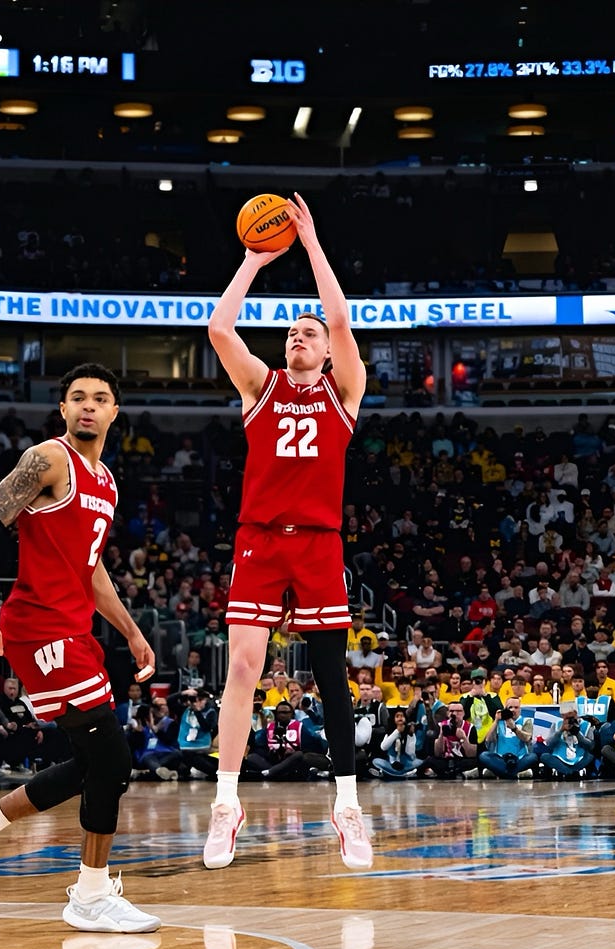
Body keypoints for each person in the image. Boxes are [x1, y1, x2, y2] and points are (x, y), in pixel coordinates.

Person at [0, 364, 160, 933]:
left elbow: (92, 571)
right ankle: (90, 895)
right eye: (77, 397)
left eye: (100, 398)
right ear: (63, 409)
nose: (88, 406)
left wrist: (131, 631)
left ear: (114, 412)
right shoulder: (49, 459)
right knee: (111, 759)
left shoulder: (105, 481)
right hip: (39, 628)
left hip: (74, 627)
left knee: (90, 765)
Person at [203, 193, 373, 871]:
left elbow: (338, 313)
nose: (299, 337)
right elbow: (219, 329)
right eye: (293, 332)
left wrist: (309, 245)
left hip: (319, 542)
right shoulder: (260, 386)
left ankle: (348, 807)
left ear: (329, 350)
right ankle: (225, 803)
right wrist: (251, 261)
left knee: (332, 675)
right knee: (242, 666)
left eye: (309, 333)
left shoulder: (345, 388)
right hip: (261, 539)